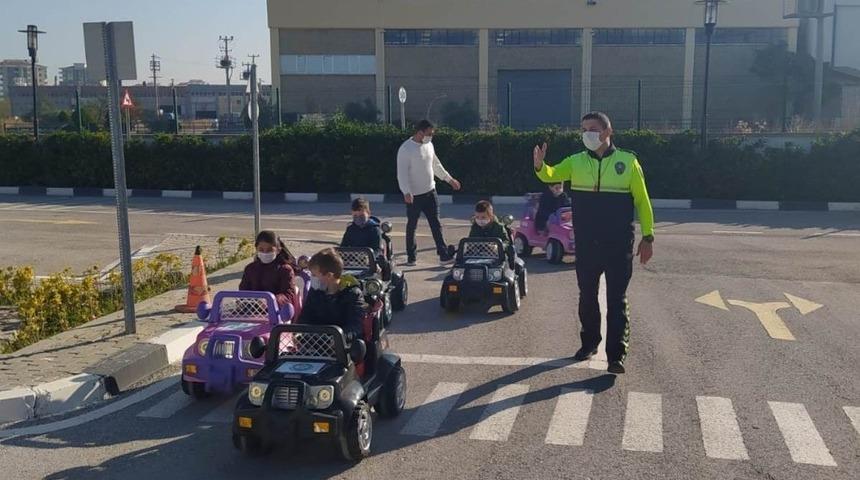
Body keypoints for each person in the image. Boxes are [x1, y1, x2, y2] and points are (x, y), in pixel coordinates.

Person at [533, 111, 655, 375]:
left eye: (593, 129)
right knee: (587, 296)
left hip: (618, 244)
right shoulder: (575, 162)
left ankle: (616, 355)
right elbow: (550, 175)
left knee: (616, 299)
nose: (587, 133)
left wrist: (648, 236)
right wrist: (541, 165)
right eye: (584, 128)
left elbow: (642, 202)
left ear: (607, 132)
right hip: (587, 244)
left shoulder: (628, 162)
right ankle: (589, 343)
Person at [397, 119, 462, 266]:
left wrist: (450, 180)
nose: (431, 136)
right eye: (429, 133)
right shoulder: (406, 149)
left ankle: (443, 255)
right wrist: (406, 191)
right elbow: (401, 173)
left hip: (430, 192)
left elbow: (436, 165)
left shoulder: (429, 145)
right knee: (412, 226)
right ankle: (411, 256)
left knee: (436, 224)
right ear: (420, 132)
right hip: (414, 196)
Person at [297, 248, 365, 343]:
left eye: (314, 275)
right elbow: (305, 316)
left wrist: (337, 339)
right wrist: (299, 333)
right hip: (314, 343)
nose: (312, 278)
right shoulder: (316, 291)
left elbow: (355, 327)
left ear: (329, 275)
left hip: (341, 347)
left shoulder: (352, 294)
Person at [239, 230, 298, 309]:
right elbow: (243, 291)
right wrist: (247, 301)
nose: (265, 253)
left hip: (277, 312)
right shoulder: (250, 269)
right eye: (261, 249)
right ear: (256, 249)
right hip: (252, 311)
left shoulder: (285, 270)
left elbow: (288, 295)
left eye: (270, 250)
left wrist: (272, 301)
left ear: (278, 250)